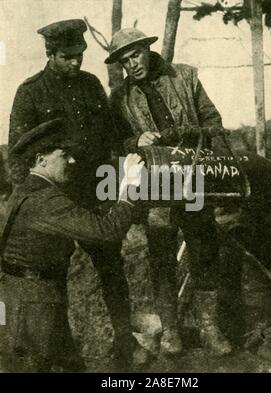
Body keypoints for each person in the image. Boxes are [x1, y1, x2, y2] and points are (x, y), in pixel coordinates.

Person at [8, 19, 138, 367]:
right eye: (67, 57)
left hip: (96, 196)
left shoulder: (92, 84)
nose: (76, 63)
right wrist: (37, 204)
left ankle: (125, 343)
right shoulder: (30, 92)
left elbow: (112, 138)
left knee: (112, 270)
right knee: (50, 276)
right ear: (50, 54)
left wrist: (116, 187)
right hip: (55, 203)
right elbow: (19, 158)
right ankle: (59, 350)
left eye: (80, 55)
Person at [107, 28, 232, 356]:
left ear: (147, 49)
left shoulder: (185, 77)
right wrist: (135, 141)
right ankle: (171, 330)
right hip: (156, 183)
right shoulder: (120, 97)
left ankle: (210, 328)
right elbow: (114, 144)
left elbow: (213, 120)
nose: (131, 65)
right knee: (161, 255)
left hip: (193, 175)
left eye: (135, 55)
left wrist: (211, 155)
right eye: (124, 61)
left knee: (203, 249)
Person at [0, 118, 147, 372]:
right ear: (41, 159)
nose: (72, 161)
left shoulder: (28, 190)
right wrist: (130, 187)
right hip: (33, 305)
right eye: (64, 155)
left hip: (30, 296)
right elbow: (108, 232)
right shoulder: (46, 200)